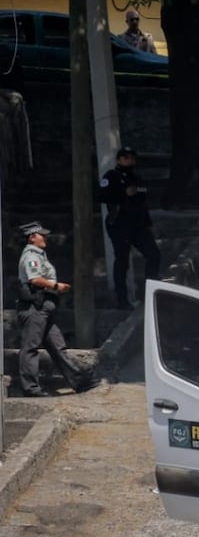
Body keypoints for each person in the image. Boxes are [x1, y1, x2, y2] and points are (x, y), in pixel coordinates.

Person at [16, 222, 98, 396]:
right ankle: (30, 388)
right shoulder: (31, 256)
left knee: (57, 346)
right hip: (35, 307)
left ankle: (79, 381)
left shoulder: (40, 255)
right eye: (41, 235)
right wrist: (55, 285)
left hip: (43, 309)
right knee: (30, 348)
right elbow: (35, 279)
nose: (45, 238)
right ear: (32, 237)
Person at [100, 146, 162, 310]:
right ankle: (122, 300)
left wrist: (149, 225)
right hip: (120, 225)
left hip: (138, 225)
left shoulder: (137, 178)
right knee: (122, 261)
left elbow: (143, 203)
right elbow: (102, 196)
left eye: (132, 158)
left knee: (154, 254)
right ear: (119, 159)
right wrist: (123, 194)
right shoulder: (111, 176)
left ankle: (151, 293)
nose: (129, 160)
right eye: (126, 157)